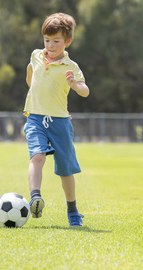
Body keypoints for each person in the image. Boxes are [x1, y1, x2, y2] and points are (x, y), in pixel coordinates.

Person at [23, 13, 89, 226]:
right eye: (46, 40)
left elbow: (85, 91)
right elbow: (30, 75)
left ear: (67, 41)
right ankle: (35, 198)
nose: (50, 45)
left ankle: (72, 210)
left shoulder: (71, 66)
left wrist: (75, 85)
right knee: (37, 157)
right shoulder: (36, 55)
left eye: (56, 41)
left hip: (60, 121)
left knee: (65, 169)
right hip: (34, 117)